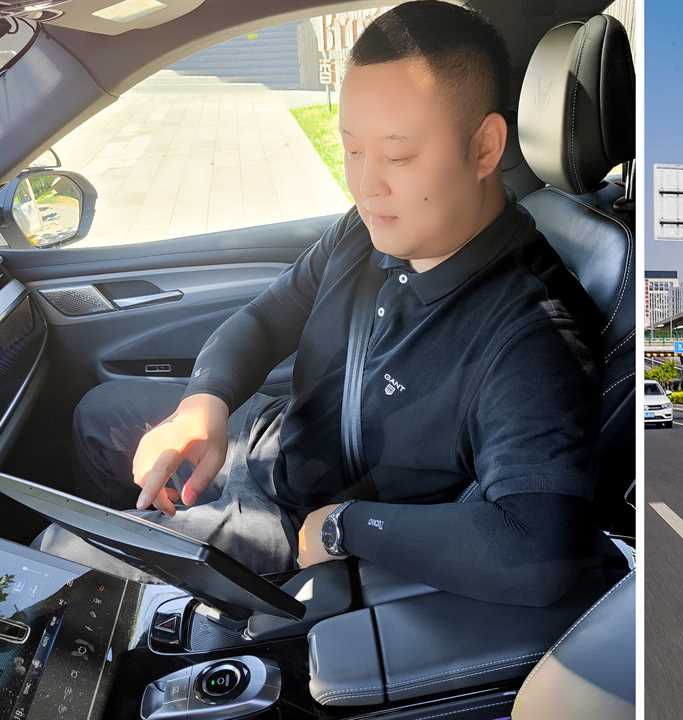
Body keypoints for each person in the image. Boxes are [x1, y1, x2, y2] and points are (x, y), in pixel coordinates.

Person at [37, 1, 608, 607]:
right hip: (272, 438)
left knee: (56, 558)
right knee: (98, 413)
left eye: (398, 156)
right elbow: (264, 318)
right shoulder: (368, 230)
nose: (365, 184)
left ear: (486, 147)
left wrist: (344, 527)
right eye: (352, 150)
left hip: (297, 527)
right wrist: (202, 404)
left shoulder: (531, 335)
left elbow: (540, 551)